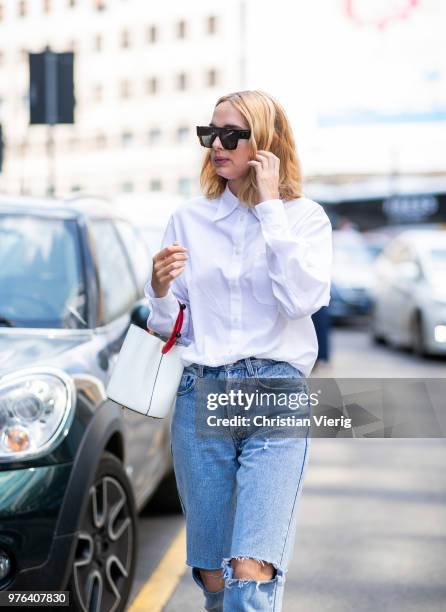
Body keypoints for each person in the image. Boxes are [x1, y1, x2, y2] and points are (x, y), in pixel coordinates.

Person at [144, 90, 332, 611]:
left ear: (266, 143)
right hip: (201, 393)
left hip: (275, 394)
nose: (217, 146)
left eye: (232, 135)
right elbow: (172, 329)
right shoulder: (188, 219)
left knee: (251, 567)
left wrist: (271, 209)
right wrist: (159, 290)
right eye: (211, 135)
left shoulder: (305, 219)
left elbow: (302, 301)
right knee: (212, 572)